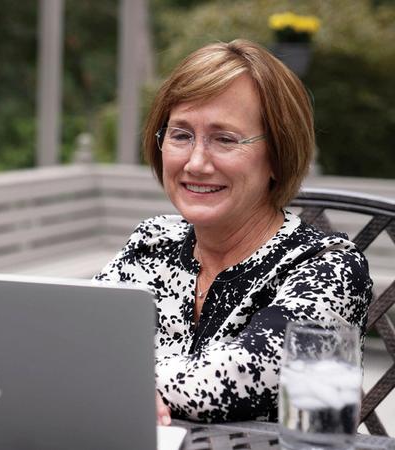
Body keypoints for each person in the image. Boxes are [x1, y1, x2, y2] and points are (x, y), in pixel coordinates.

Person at [95, 39, 372, 423]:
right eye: (180, 135)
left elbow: (237, 377)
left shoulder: (329, 269)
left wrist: (117, 381)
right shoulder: (152, 242)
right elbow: (75, 341)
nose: (196, 163)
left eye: (225, 139)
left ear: (277, 155)